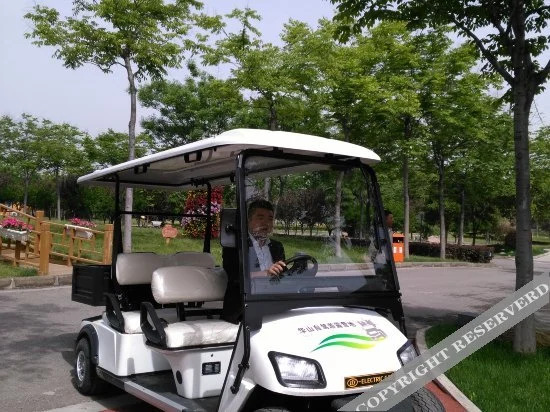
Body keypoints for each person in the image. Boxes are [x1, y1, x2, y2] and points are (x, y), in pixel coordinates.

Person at [221, 199, 286, 323]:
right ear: (249, 221)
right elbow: (235, 277)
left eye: (270, 219)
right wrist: (266, 273)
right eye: (260, 218)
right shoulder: (235, 246)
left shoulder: (277, 246)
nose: (266, 223)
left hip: (273, 304)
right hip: (243, 308)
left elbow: (283, 277)